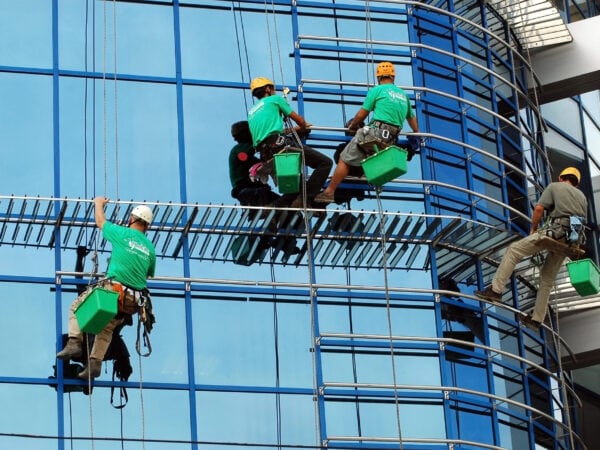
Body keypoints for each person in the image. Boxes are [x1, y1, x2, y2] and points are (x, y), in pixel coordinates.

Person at [475, 167, 587, 331]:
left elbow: (539, 209)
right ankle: (536, 320)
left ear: (562, 177)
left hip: (555, 232)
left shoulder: (555, 186)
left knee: (514, 250)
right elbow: (579, 221)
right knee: (547, 279)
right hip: (572, 240)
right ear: (576, 183)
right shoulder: (582, 197)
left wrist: (533, 229)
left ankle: (496, 290)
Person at [57, 197, 156, 379]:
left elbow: (100, 221)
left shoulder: (123, 234)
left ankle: (74, 342)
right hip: (132, 302)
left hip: (114, 292)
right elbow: (149, 273)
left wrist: (98, 203)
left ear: (132, 219)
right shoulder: (150, 249)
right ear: (147, 225)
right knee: (106, 330)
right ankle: (95, 364)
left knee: (76, 308)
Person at [314, 61, 420, 204]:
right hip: (391, 139)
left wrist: (353, 124)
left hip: (376, 132)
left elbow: (361, 115)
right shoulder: (403, 96)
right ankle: (370, 178)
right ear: (393, 77)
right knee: (370, 153)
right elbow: (413, 122)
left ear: (378, 77)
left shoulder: (377, 91)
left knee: (344, 157)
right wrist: (417, 133)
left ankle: (329, 192)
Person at [247, 77, 332, 208]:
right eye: (273, 88)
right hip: (280, 145)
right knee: (325, 163)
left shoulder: (252, 112)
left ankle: (274, 209)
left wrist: (295, 129)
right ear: (268, 89)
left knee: (296, 185)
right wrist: (303, 126)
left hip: (265, 153)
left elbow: (269, 131)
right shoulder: (275, 99)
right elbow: (299, 120)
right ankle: (306, 199)